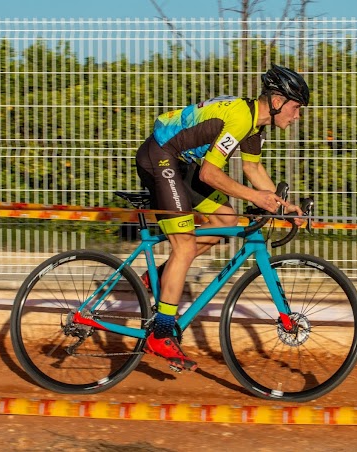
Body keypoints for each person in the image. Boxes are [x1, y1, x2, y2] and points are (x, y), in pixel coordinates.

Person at [135, 64, 310, 371]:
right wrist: (257, 198)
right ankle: (160, 334)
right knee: (185, 246)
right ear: (278, 101)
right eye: (296, 108)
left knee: (225, 223)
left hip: (180, 162)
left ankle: (159, 277)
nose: (297, 117)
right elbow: (209, 173)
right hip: (160, 156)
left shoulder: (255, 125)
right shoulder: (241, 118)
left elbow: (253, 169)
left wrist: (284, 207)